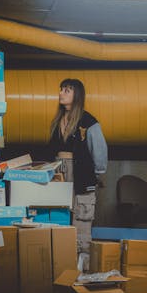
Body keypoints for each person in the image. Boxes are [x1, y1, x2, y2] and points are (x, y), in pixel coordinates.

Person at [49, 78, 107, 271]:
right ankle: (61, 267)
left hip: (80, 172)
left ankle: (83, 271)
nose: (61, 93)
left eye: (67, 90)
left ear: (77, 95)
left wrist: (96, 174)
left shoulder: (88, 122)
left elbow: (99, 150)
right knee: (60, 218)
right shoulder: (57, 121)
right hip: (59, 171)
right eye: (61, 90)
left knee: (81, 220)